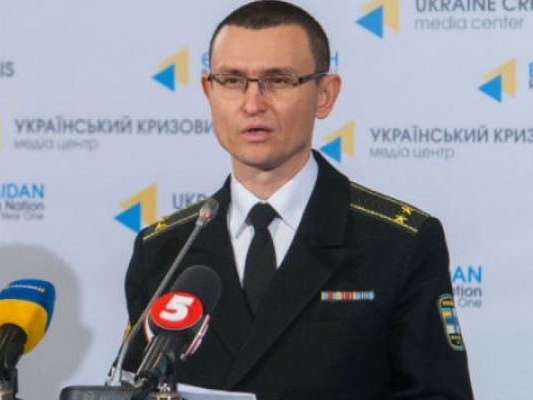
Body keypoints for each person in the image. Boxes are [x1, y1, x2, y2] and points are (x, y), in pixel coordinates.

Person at [123, 1, 474, 398]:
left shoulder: (397, 243)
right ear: (209, 91)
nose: (253, 104)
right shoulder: (164, 250)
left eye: (278, 80)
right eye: (233, 80)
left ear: (325, 94)